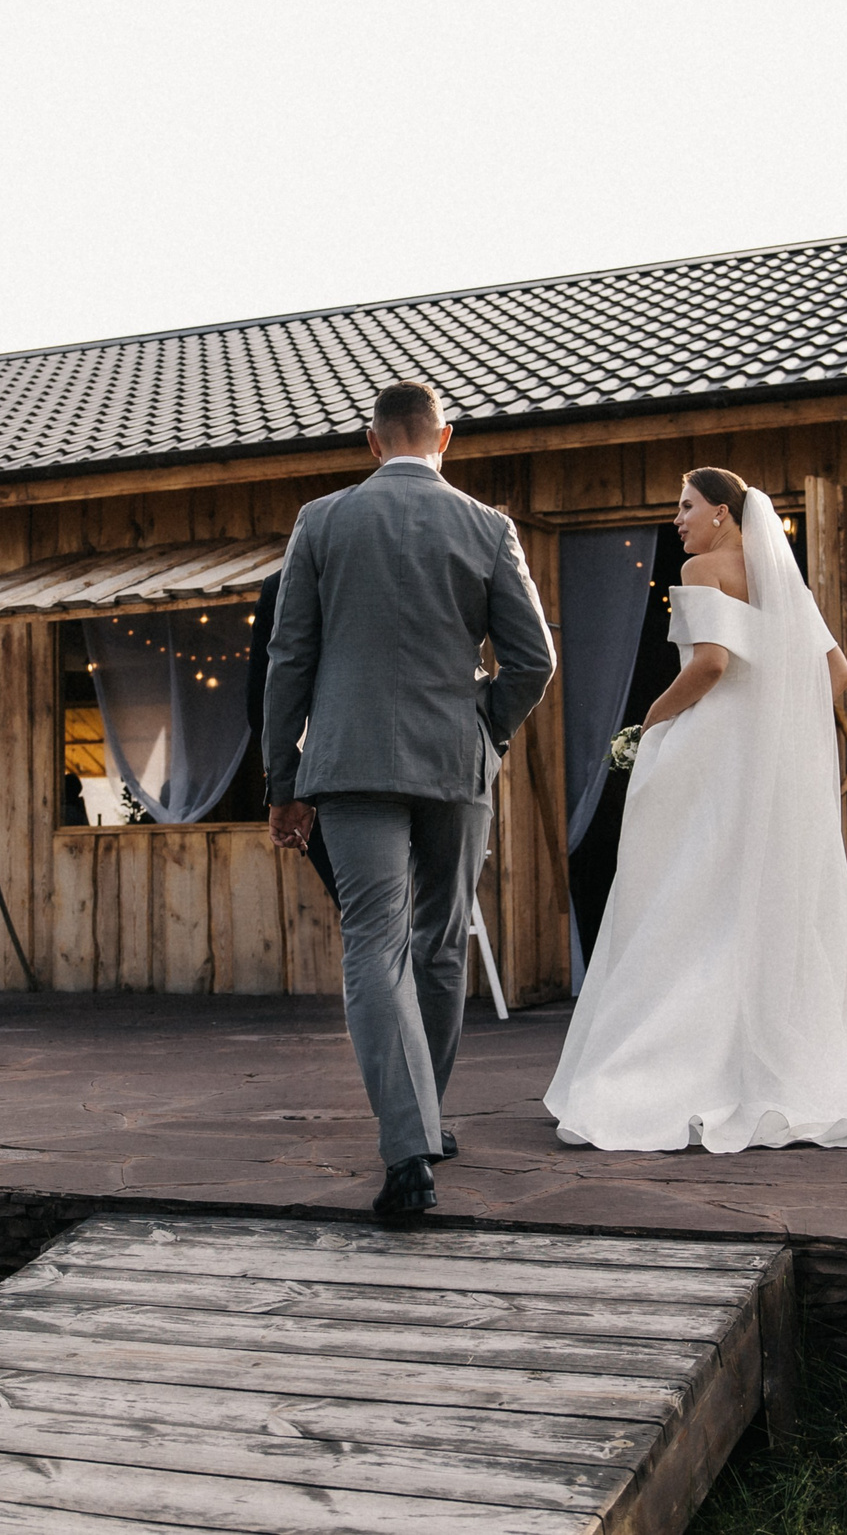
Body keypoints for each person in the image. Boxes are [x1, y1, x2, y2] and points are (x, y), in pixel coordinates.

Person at [543, 466, 847, 1151]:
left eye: (687, 505)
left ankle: (666, 1071)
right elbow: (837, 675)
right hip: (761, 769)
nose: (677, 518)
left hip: (709, 757)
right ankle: (773, 1069)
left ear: (722, 511)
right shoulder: (779, 579)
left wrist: (647, 722)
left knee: (682, 904)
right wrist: (775, 724)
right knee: (752, 908)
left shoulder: (699, 568)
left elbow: (711, 663)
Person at [261, 379, 554, 1218]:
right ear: (446, 438)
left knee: (373, 946)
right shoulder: (489, 526)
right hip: (454, 766)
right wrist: (484, 729)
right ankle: (425, 1119)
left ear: (371, 441)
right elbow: (532, 661)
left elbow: (290, 660)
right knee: (440, 944)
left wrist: (284, 784)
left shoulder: (321, 521)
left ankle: (408, 1143)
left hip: (349, 764)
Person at [244, 566, 336, 906]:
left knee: (367, 925)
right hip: (446, 768)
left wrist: (289, 790)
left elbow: (263, 703)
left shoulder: (287, 583)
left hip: (331, 779)